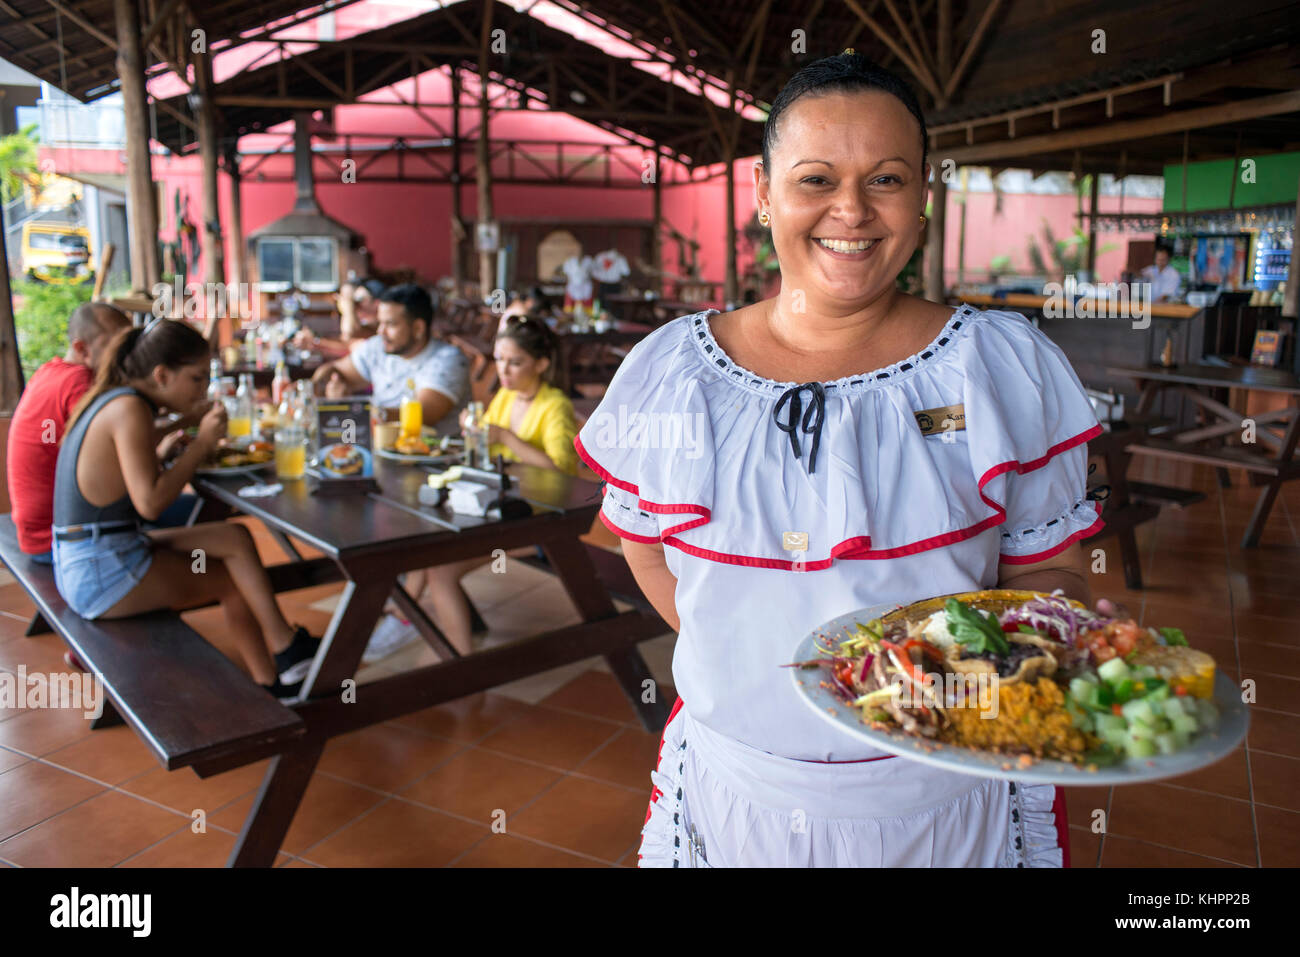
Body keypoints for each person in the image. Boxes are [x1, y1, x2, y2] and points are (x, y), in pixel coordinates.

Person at [576, 52, 1111, 867]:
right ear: (763, 193)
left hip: (946, 797)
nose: (852, 210)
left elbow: (1050, 576)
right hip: (734, 796)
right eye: (816, 178)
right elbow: (645, 551)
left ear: (923, 198)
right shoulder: (673, 375)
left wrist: (995, 673)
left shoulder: (999, 368)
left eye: (888, 179)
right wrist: (777, 669)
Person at [51, 318, 322, 699]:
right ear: (161, 374)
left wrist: (186, 424)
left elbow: (130, 463)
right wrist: (202, 443)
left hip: (88, 555)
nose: (203, 388)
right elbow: (150, 503)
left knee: (234, 537)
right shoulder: (130, 408)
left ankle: (285, 657)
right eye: (196, 379)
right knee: (231, 579)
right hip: (102, 570)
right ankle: (281, 673)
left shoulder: (112, 399)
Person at [367, 315, 580, 661]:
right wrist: (474, 432)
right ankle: (406, 615)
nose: (504, 371)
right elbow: (488, 446)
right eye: (499, 360)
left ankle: (455, 658)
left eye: (515, 362)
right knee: (425, 540)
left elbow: (562, 472)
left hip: (539, 516)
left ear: (541, 364)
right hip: (500, 506)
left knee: (439, 568)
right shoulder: (506, 398)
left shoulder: (555, 405)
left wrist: (506, 437)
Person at [7, 303, 203, 564]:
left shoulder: (49, 372)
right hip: (65, 537)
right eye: (116, 343)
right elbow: (141, 485)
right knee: (204, 521)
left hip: (43, 529)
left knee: (204, 519)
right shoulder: (81, 383)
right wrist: (198, 436)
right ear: (81, 349)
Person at [294, 277, 385, 357]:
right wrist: (314, 342)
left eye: (359, 300)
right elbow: (347, 345)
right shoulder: (365, 325)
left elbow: (350, 334)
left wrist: (348, 308)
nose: (356, 305)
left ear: (377, 303)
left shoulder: (381, 324)